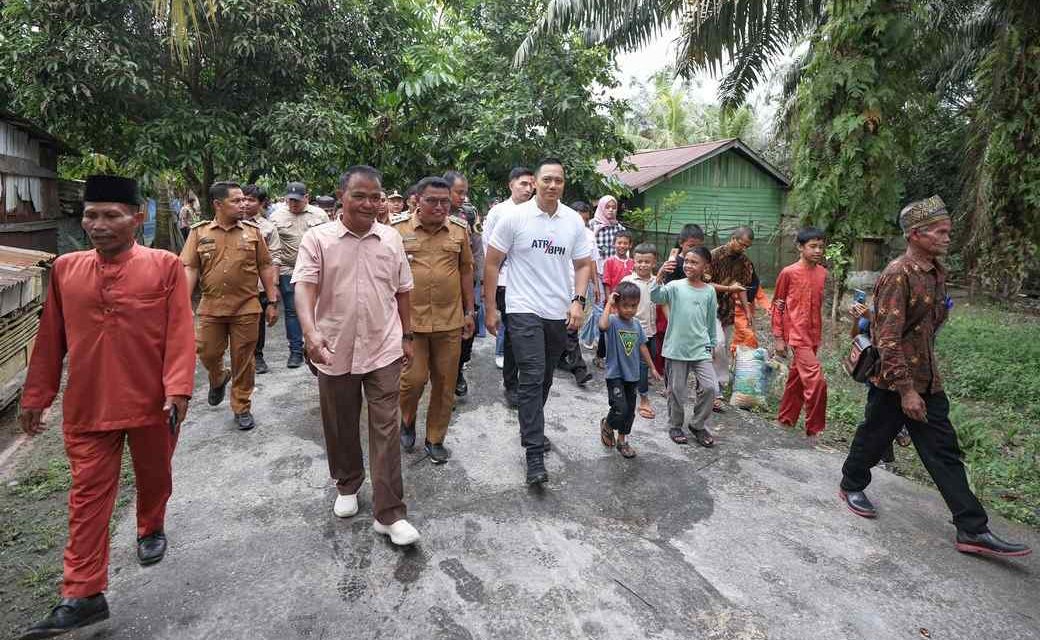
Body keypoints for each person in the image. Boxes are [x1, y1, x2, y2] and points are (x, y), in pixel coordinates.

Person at [17, 175, 196, 639]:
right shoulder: (65, 270)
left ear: (137, 218)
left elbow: (180, 330)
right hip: (88, 405)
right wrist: (37, 396)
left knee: (155, 477)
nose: (99, 225)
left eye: (111, 215)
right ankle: (82, 594)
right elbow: (50, 338)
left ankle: (150, 526)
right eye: (91, 216)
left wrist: (178, 390)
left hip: (154, 403)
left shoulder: (165, 266)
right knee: (87, 498)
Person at [839, 196, 1030, 558]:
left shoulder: (937, 272)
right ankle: (851, 484)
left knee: (943, 451)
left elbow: (927, 329)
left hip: (928, 379)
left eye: (948, 231)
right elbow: (887, 338)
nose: (947, 238)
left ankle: (972, 529)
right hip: (895, 382)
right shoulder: (899, 274)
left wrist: (922, 384)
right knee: (874, 436)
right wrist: (907, 391)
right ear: (915, 235)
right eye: (940, 232)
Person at [293, 165, 420, 546]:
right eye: (359, 196)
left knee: (386, 427)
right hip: (333, 349)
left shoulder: (391, 240)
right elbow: (304, 287)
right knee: (340, 421)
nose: (369, 203)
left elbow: (403, 289)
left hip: (384, 347)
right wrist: (311, 332)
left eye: (375, 196)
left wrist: (408, 334)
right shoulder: (318, 239)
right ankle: (347, 484)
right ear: (341, 197)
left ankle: (390, 513)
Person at [484, 158, 593, 485]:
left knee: (544, 378)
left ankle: (531, 426)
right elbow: (491, 264)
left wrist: (578, 300)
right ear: (535, 182)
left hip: (557, 312)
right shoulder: (514, 217)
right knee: (531, 376)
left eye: (558, 180)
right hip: (522, 308)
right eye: (546, 179)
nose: (552, 185)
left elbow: (584, 265)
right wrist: (490, 308)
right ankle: (534, 454)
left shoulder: (573, 221)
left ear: (563, 184)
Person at [182, 182, 279, 431]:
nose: (243, 204)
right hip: (211, 306)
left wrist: (272, 301)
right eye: (236, 201)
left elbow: (266, 266)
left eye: (245, 200)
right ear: (218, 204)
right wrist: (183, 303)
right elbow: (190, 267)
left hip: (246, 307)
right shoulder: (199, 232)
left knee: (243, 360)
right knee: (206, 351)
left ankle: (242, 406)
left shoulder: (252, 232)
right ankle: (218, 377)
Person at [393, 177, 476, 464]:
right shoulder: (397, 229)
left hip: (449, 321)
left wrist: (469, 311)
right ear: (417, 200)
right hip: (411, 324)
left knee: (445, 383)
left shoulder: (459, 230)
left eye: (445, 201)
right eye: (432, 201)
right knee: (412, 381)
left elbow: (466, 271)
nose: (440, 207)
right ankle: (407, 417)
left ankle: (435, 438)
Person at [651, 246, 718, 448]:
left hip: (700, 348)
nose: (689, 265)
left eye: (694, 262)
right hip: (676, 349)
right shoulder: (675, 286)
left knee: (710, 387)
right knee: (677, 391)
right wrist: (660, 275)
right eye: (687, 261)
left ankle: (697, 425)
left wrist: (712, 344)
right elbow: (656, 297)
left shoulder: (709, 291)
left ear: (705, 266)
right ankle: (675, 425)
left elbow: (710, 321)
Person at [483, 167, 535, 405]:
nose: (528, 189)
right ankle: (511, 384)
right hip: (505, 282)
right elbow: (489, 250)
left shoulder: (537, 212)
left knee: (523, 333)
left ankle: (523, 380)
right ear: (510, 185)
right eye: (523, 184)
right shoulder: (499, 212)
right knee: (513, 332)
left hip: (530, 283)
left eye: (531, 184)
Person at [772, 227, 829, 445]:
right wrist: (778, 336)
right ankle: (814, 430)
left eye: (821, 247)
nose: (817, 251)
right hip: (796, 335)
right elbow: (777, 304)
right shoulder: (788, 272)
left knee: (796, 379)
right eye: (812, 246)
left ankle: (785, 420)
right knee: (817, 381)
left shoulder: (823, 273)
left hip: (814, 335)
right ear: (800, 247)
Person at [597, 282, 662, 459]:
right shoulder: (612, 321)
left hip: (632, 375)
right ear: (617, 305)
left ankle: (622, 441)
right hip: (615, 374)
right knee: (620, 407)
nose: (629, 310)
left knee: (629, 411)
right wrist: (609, 304)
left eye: (633, 306)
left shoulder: (637, 325)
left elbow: (642, 347)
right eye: (625, 306)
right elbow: (602, 326)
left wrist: (652, 367)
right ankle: (608, 425)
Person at [270, 181, 329, 368]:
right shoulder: (276, 217)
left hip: (316, 270)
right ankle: (296, 351)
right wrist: (274, 279)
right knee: (292, 310)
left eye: (297, 200)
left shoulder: (320, 215)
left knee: (319, 308)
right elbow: (274, 249)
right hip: (290, 269)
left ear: (306, 197)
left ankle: (319, 345)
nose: (293, 204)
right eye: (290, 200)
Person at [444, 170, 484, 398]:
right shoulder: (429, 212)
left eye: (465, 193)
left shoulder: (469, 215)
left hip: (465, 281)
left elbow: (477, 247)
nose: (463, 197)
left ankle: (458, 371)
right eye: (459, 192)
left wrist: (479, 280)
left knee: (468, 327)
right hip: (440, 284)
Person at [709, 227, 756, 411]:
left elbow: (741, 287)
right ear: (733, 238)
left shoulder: (745, 262)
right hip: (709, 307)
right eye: (742, 244)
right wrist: (729, 289)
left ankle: (717, 389)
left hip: (727, 310)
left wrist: (747, 310)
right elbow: (705, 284)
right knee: (717, 344)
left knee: (723, 347)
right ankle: (713, 386)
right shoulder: (714, 256)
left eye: (747, 246)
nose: (743, 248)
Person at [242, 184, 283, 375]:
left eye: (251, 200)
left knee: (258, 321)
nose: (246, 203)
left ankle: (257, 356)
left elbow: (274, 258)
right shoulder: (230, 223)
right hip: (233, 285)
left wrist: (273, 289)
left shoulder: (267, 228)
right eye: (243, 199)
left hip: (258, 284)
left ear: (261, 203)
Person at [623, 243, 660, 419]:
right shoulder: (628, 282)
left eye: (647, 261)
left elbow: (663, 303)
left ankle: (635, 391)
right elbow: (617, 306)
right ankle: (643, 399)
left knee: (644, 364)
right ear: (634, 262)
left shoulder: (657, 282)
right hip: (631, 332)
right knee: (640, 366)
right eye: (639, 261)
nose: (643, 265)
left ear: (654, 263)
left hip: (650, 331)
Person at [595, 230, 635, 368]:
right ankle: (600, 355)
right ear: (614, 244)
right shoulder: (609, 262)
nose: (622, 246)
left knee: (623, 329)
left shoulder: (633, 263)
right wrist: (609, 302)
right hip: (613, 301)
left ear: (630, 245)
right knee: (606, 328)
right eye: (619, 243)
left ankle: (620, 358)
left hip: (628, 303)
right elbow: (606, 283)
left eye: (625, 243)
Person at [590, 195, 625, 265]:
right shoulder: (591, 225)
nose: (611, 210)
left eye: (614, 208)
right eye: (607, 207)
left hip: (614, 268)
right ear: (601, 208)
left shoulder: (620, 228)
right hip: (596, 268)